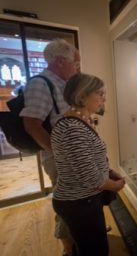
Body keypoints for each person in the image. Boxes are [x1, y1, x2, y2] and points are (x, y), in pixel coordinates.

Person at [51, 73, 125, 256]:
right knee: (95, 251)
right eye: (99, 93)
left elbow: (88, 160)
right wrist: (114, 185)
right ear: (82, 96)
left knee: (87, 246)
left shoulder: (78, 122)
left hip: (82, 200)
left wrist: (109, 171)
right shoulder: (72, 128)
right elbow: (90, 177)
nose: (104, 99)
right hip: (79, 203)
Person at [20, 38, 80, 255]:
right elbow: (31, 123)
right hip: (60, 158)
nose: (77, 67)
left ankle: (78, 237)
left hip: (71, 154)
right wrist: (58, 153)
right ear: (59, 61)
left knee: (76, 198)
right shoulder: (40, 83)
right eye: (75, 62)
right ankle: (68, 247)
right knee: (67, 201)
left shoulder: (60, 82)